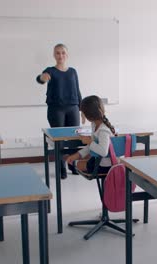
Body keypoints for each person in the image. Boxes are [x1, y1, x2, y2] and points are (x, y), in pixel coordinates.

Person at [36, 44, 82, 179]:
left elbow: (77, 90)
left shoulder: (73, 71)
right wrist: (42, 78)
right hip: (56, 109)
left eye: (63, 53)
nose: (60, 55)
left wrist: (82, 108)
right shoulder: (50, 70)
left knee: (75, 139)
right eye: (57, 53)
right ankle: (61, 166)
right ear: (54, 55)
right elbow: (40, 78)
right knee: (60, 140)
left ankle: (72, 164)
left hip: (72, 108)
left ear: (67, 55)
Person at [65, 95, 116, 175]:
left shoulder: (103, 130)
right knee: (80, 162)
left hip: (107, 165)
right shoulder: (94, 125)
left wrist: (90, 142)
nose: (82, 115)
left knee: (79, 165)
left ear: (89, 116)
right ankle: (76, 163)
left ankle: (75, 165)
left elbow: (103, 152)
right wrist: (77, 155)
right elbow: (92, 146)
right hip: (102, 160)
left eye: (83, 113)